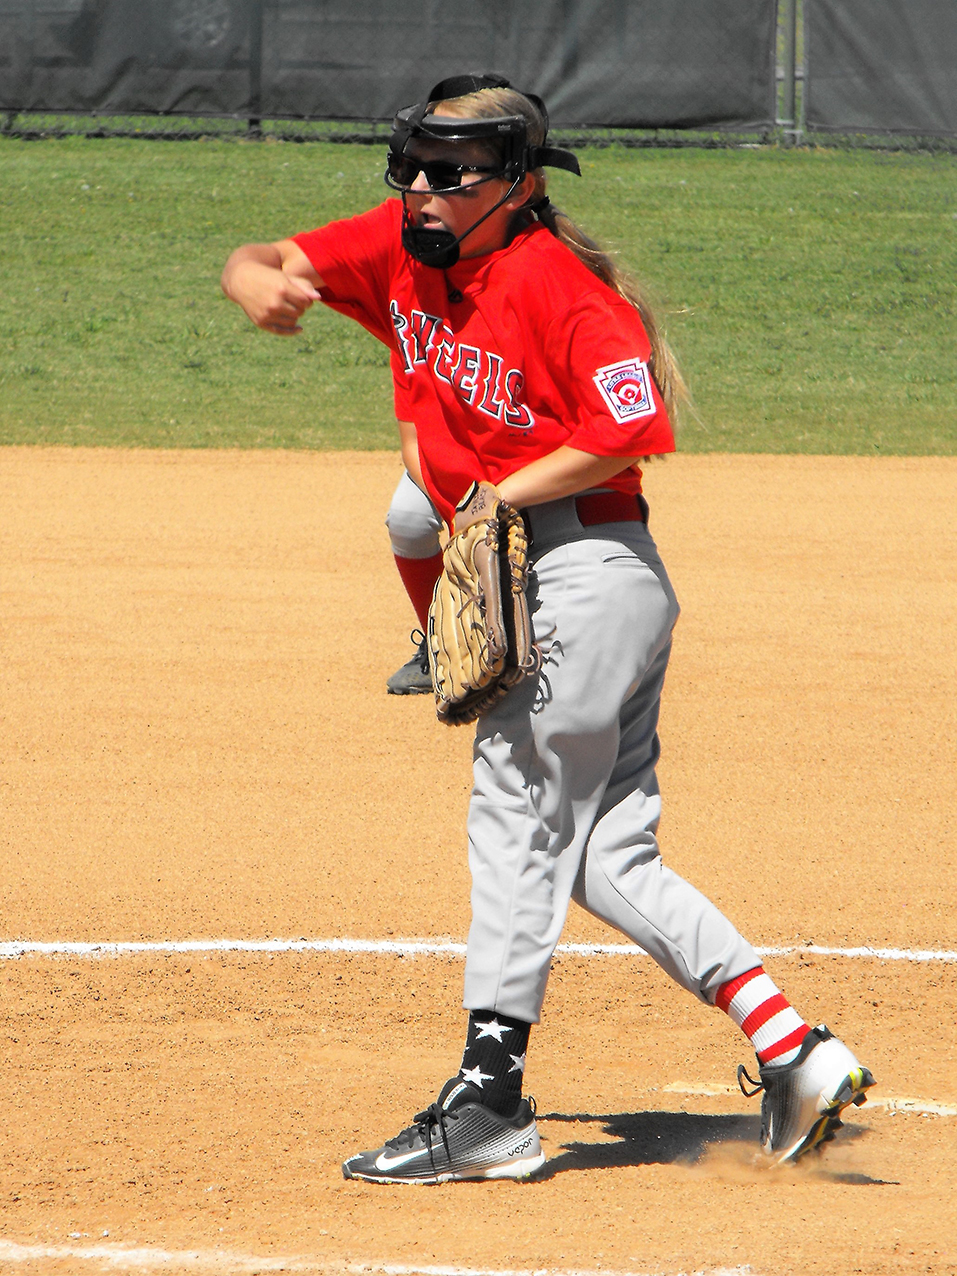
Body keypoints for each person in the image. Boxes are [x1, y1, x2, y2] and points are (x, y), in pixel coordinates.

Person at [221, 72, 874, 1181]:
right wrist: (255, 282)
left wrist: (491, 500)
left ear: (514, 184)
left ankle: (491, 1103)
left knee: (514, 813)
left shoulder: (559, 285)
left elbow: (632, 426)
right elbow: (272, 258)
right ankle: (795, 1049)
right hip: (559, 576)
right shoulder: (402, 245)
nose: (420, 189)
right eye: (412, 167)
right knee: (605, 853)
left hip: (585, 569)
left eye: (449, 173)